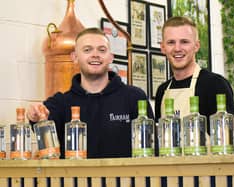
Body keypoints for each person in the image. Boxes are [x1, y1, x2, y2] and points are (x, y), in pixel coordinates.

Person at [27, 27, 154, 159]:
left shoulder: (135, 98)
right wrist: (35, 115)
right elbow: (42, 122)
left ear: (110, 57)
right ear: (75, 57)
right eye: (87, 50)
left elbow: (151, 150)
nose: (95, 55)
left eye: (102, 50)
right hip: (75, 179)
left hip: (126, 179)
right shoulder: (61, 103)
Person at [155, 16, 234, 129]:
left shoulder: (215, 85)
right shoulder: (162, 91)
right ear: (163, 48)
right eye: (171, 42)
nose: (177, 48)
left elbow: (226, 140)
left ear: (196, 46)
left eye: (184, 42)